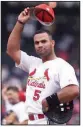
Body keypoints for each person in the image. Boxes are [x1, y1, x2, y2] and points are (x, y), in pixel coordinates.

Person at [6, 7, 79, 125]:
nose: (40, 45)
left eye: (44, 41)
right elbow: (11, 50)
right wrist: (20, 22)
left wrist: (48, 101)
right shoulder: (33, 63)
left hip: (49, 121)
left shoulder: (62, 66)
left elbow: (73, 90)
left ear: (52, 43)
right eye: (37, 43)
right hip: (31, 121)